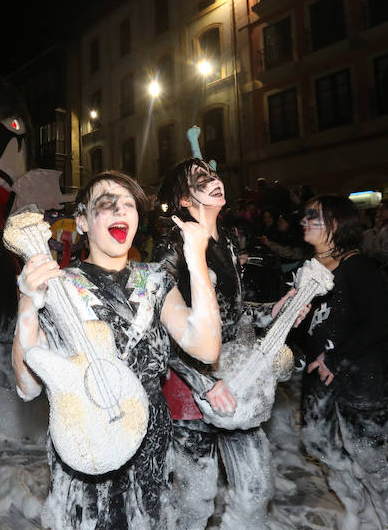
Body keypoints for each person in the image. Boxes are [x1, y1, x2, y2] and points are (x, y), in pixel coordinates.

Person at [12, 170, 221, 530]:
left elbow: (205, 347)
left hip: (150, 441)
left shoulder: (155, 281)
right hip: (86, 441)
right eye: (106, 205)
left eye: (129, 205)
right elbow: (27, 388)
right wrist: (28, 304)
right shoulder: (58, 288)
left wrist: (197, 258)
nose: (120, 212)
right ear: (82, 221)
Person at [154, 159, 304, 530]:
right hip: (189, 386)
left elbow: (231, 314)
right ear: (184, 200)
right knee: (195, 500)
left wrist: (272, 310)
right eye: (200, 179)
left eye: (213, 174)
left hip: (238, 377)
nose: (214, 181)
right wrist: (205, 382)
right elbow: (160, 329)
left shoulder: (227, 239)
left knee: (255, 487)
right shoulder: (171, 248)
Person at [292, 195, 388, 530]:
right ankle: (357, 510)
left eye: (314, 217)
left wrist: (337, 356)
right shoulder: (310, 270)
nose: (304, 221)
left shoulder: (361, 268)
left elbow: (378, 322)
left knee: (369, 456)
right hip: (318, 373)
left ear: (336, 224)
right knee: (316, 441)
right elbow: (309, 326)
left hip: (360, 373)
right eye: (305, 216)